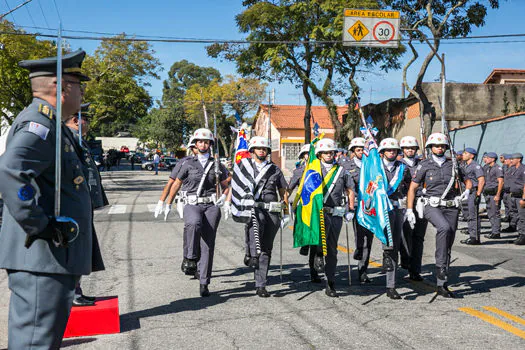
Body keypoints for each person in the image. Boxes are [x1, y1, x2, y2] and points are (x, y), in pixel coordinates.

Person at [0, 50, 104, 348]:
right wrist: (39, 224)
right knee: (36, 342)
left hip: (51, 259)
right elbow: (10, 171)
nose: (83, 90)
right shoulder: (41, 124)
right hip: (42, 257)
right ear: (61, 86)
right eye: (78, 82)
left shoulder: (53, 124)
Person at [165, 128, 230, 296]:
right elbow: (176, 183)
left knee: (208, 244)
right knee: (193, 223)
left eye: (206, 142)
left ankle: (204, 281)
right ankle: (190, 257)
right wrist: (167, 202)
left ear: (210, 145)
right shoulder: (187, 163)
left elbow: (226, 184)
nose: (203, 144)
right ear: (195, 144)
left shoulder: (217, 165)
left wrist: (225, 198)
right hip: (192, 203)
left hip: (211, 205)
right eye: (200, 141)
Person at [407, 133, 471, 298]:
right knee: (443, 228)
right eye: (436, 146)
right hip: (431, 205)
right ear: (430, 148)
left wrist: (468, 190)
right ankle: (440, 268)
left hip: (451, 206)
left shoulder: (454, 164)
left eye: (442, 146)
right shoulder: (424, 165)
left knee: (448, 239)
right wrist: (409, 209)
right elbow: (413, 188)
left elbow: (468, 180)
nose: (440, 148)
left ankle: (442, 284)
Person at [226, 136, 289, 297]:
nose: (262, 150)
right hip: (252, 209)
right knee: (256, 228)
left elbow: (283, 191)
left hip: (272, 211)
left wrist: (287, 212)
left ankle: (261, 284)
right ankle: (251, 254)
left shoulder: (274, 169)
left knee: (266, 248)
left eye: (265, 148)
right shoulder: (244, 166)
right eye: (259, 148)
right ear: (252, 150)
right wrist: (229, 201)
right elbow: (236, 185)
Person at [64, 103, 108, 307]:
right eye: (85, 118)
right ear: (75, 119)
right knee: (75, 248)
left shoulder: (78, 140)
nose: (87, 122)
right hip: (73, 205)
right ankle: (71, 293)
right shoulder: (69, 139)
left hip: (82, 203)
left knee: (82, 249)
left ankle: (76, 291)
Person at [312, 138, 355, 297]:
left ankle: (330, 282)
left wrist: (351, 209)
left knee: (332, 249)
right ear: (320, 154)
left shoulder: (342, 171)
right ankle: (317, 253)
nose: (329, 155)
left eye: (331, 152)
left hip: (335, 213)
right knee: (320, 241)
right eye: (325, 152)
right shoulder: (314, 169)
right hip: (319, 212)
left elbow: (350, 190)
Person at [377, 138, 412, 300]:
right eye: (388, 150)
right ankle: (385, 252)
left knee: (395, 245)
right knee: (388, 243)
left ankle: (391, 286)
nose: (392, 152)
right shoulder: (375, 168)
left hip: (397, 208)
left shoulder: (403, 169)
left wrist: (411, 205)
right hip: (379, 209)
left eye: (394, 150)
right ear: (382, 152)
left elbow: (411, 187)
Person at [162, 138, 201, 276]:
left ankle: (198, 265)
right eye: (196, 147)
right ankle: (188, 259)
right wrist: (164, 201)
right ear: (192, 147)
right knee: (191, 230)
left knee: (202, 235)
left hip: (206, 203)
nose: (199, 149)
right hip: (187, 201)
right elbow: (172, 182)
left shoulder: (210, 163)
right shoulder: (184, 162)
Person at [287, 144, 324, 282]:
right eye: (308, 154)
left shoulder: (323, 170)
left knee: (317, 240)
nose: (311, 156)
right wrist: (284, 203)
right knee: (311, 237)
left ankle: (316, 266)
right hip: (304, 208)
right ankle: (312, 267)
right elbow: (289, 188)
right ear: (303, 157)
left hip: (319, 209)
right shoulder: (299, 171)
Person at [344, 137, 374, 284]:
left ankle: (363, 271)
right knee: (360, 234)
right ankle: (358, 249)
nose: (362, 152)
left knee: (369, 237)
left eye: (364, 149)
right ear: (353, 152)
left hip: (371, 206)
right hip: (355, 205)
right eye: (358, 150)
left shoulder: (374, 165)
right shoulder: (346, 166)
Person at [399, 136, 428, 281]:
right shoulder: (398, 165)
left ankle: (415, 270)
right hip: (404, 202)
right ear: (402, 150)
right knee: (405, 235)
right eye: (407, 148)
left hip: (420, 202)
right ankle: (405, 260)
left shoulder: (424, 164)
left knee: (419, 237)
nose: (410, 150)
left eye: (412, 148)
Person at [460, 147, 485, 245]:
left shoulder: (475, 166)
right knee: (470, 215)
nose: (463, 155)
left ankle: (475, 237)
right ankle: (471, 235)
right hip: (467, 192)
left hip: (473, 192)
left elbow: (481, 180)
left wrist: (478, 194)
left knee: (473, 215)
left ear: (472, 155)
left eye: (465, 153)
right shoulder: (465, 165)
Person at [482, 152, 504, 239]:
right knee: (490, 213)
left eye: (487, 158)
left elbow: (501, 182)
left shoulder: (497, 168)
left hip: (494, 194)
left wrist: (498, 195)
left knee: (495, 213)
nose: (485, 159)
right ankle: (494, 231)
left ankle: (496, 232)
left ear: (493, 159)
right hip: (488, 194)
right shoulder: (487, 167)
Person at [507, 153, 525, 245]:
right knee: (517, 216)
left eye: (513, 159)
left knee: (523, 217)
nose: (511, 160)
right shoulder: (513, 169)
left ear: (519, 159)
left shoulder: (523, 169)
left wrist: (524, 198)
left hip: (520, 197)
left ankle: (523, 236)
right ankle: (520, 234)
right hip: (513, 196)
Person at [502, 154, 519, 232]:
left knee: (513, 210)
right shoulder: (506, 168)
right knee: (508, 209)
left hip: (511, 192)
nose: (504, 161)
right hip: (506, 191)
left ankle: (513, 226)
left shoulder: (515, 169)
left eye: (506, 159)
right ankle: (511, 224)